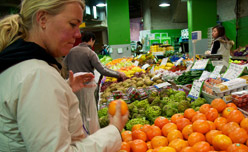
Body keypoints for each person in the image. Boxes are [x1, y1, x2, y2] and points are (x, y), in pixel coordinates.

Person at [0, 0, 128, 151]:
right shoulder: (37, 75)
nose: (78, 34)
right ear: (42, 19)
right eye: (73, 24)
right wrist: (114, 130)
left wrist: (64, 89)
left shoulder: (16, 65)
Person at [63, 31, 126, 134]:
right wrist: (118, 74)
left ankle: (78, 132)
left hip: (73, 85)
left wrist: (67, 79)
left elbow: (64, 66)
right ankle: (89, 133)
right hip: (87, 86)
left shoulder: (71, 51)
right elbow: (102, 70)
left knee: (76, 110)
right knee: (89, 112)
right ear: (91, 40)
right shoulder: (90, 53)